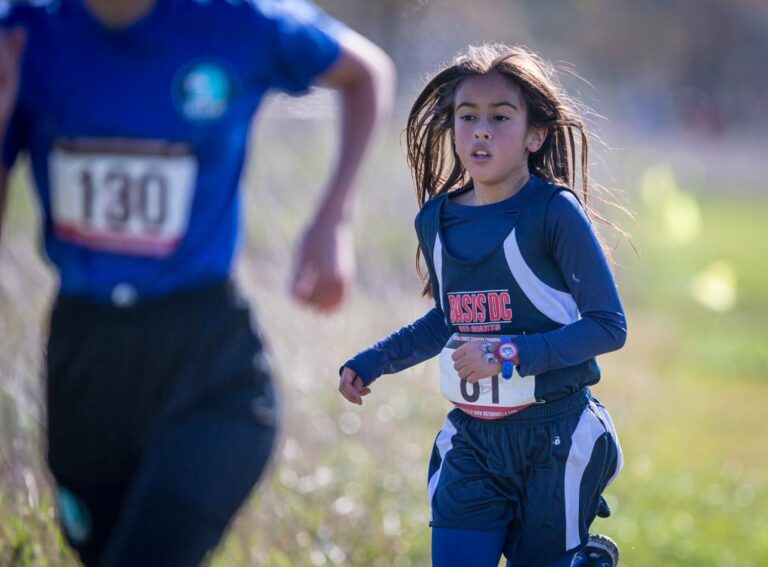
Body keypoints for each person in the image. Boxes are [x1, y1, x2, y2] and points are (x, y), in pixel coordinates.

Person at [0, 0, 394, 565]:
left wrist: (335, 217)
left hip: (208, 363)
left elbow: (365, 72)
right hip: (82, 357)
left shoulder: (238, 21)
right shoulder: (24, 36)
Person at [339, 43, 626, 567]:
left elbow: (608, 327)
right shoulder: (435, 221)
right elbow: (449, 320)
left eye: (500, 117)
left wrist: (510, 352)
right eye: (467, 117)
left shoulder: (553, 212)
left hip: (556, 435)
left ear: (535, 135)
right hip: (473, 441)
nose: (481, 131)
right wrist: (374, 360)